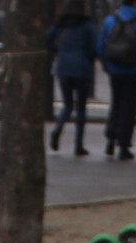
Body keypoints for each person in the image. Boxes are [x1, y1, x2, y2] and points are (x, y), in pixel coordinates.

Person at [98, 0, 136, 160]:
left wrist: (107, 66)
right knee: (129, 106)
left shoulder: (110, 20)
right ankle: (124, 144)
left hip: (115, 69)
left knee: (116, 103)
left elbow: (101, 45)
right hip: (134, 70)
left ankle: (110, 137)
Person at [46, 5, 97, 155]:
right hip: (82, 69)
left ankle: (58, 129)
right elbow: (94, 48)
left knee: (67, 105)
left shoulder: (61, 24)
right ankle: (78, 144)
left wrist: (58, 51)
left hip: (63, 68)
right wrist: (88, 58)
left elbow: (47, 38)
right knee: (81, 108)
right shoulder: (87, 26)